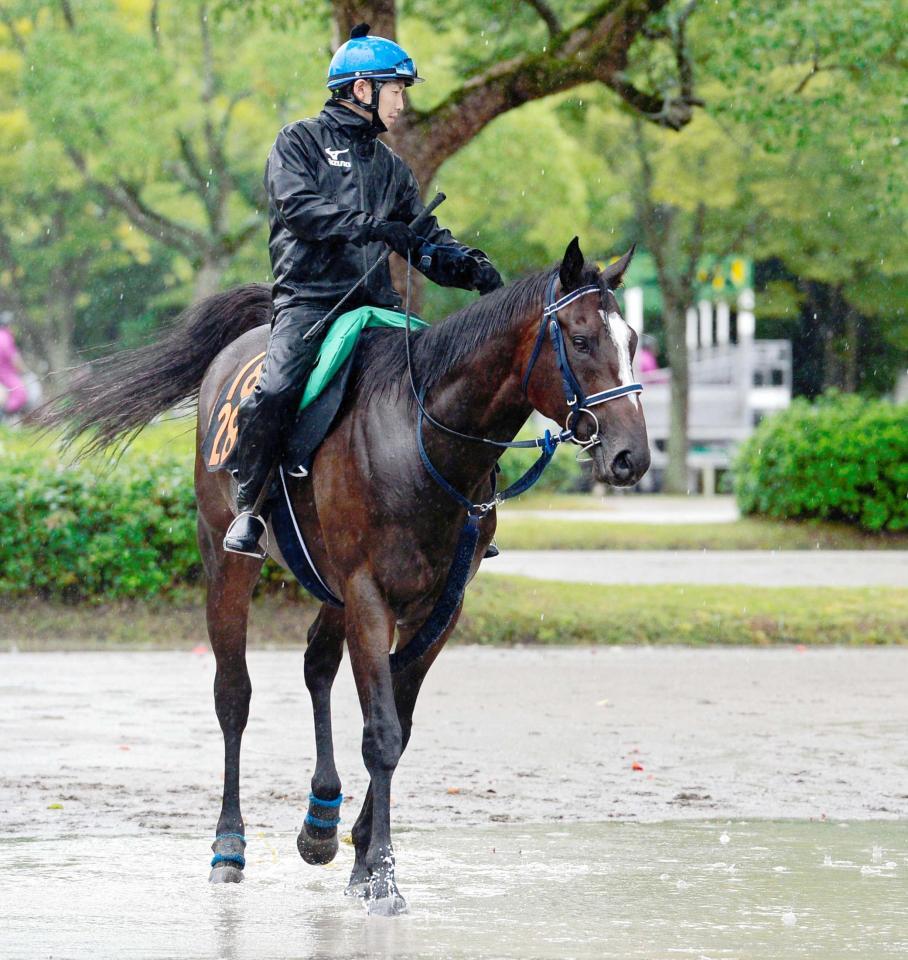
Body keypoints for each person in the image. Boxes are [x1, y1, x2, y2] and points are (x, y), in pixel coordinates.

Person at [224, 24, 503, 557]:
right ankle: (249, 505)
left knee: (455, 376)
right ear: (361, 90)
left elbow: (421, 240)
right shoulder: (297, 142)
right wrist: (374, 228)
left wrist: (465, 266)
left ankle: (474, 506)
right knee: (280, 387)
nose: (402, 102)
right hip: (309, 301)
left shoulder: (393, 168)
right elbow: (299, 209)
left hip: (376, 307)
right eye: (396, 90)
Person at [0, 312, 28, 421]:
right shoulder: (5, 337)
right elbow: (14, 358)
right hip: (6, 374)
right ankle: (4, 414)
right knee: (20, 394)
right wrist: (24, 370)